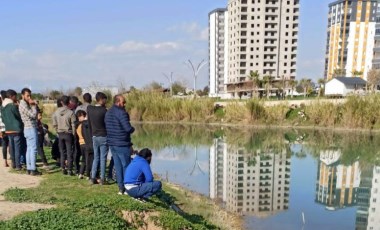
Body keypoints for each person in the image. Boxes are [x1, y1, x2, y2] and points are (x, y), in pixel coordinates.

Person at [105, 95, 135, 194]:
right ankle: (127, 188)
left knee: (118, 166)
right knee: (126, 166)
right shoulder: (122, 113)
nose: (125, 104)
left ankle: (120, 188)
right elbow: (127, 128)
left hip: (112, 143)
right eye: (124, 102)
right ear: (118, 102)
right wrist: (132, 129)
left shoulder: (108, 112)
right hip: (122, 143)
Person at [87, 92, 108, 185]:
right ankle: (102, 178)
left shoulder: (90, 109)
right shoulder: (104, 111)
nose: (106, 101)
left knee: (96, 157)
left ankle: (92, 177)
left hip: (94, 136)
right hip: (103, 135)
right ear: (102, 99)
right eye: (105, 99)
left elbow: (89, 122)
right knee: (103, 158)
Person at [52, 95, 77, 175]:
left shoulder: (56, 112)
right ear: (69, 102)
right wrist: (73, 134)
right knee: (69, 152)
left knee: (62, 152)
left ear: (61, 102)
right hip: (68, 133)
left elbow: (54, 124)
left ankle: (63, 167)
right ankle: (69, 169)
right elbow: (73, 124)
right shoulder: (71, 112)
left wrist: (57, 131)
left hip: (60, 133)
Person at [19, 88, 41, 175]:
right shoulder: (23, 104)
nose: (29, 97)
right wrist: (34, 105)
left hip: (27, 129)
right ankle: (33, 169)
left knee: (29, 149)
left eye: (30, 95)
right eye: (27, 95)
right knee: (34, 149)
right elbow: (32, 115)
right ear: (22, 95)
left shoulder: (23, 103)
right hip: (30, 128)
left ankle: (29, 167)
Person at [1, 89, 24, 170]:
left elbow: (3, 119)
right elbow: (19, 116)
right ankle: (18, 165)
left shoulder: (2, 107)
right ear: (11, 96)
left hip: (8, 130)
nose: (16, 97)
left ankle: (13, 164)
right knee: (17, 148)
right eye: (15, 96)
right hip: (16, 129)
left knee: (12, 148)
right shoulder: (12, 106)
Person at [76, 110, 94, 179]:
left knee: (83, 159)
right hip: (85, 143)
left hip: (81, 144)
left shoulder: (78, 125)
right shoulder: (84, 125)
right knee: (88, 159)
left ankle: (81, 173)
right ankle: (88, 174)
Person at [0, 91, 9, 167]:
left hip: (2, 129)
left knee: (4, 144)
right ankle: (12, 159)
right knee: (10, 144)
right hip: (9, 127)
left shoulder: (1, 107)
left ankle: (5, 161)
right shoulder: (8, 106)